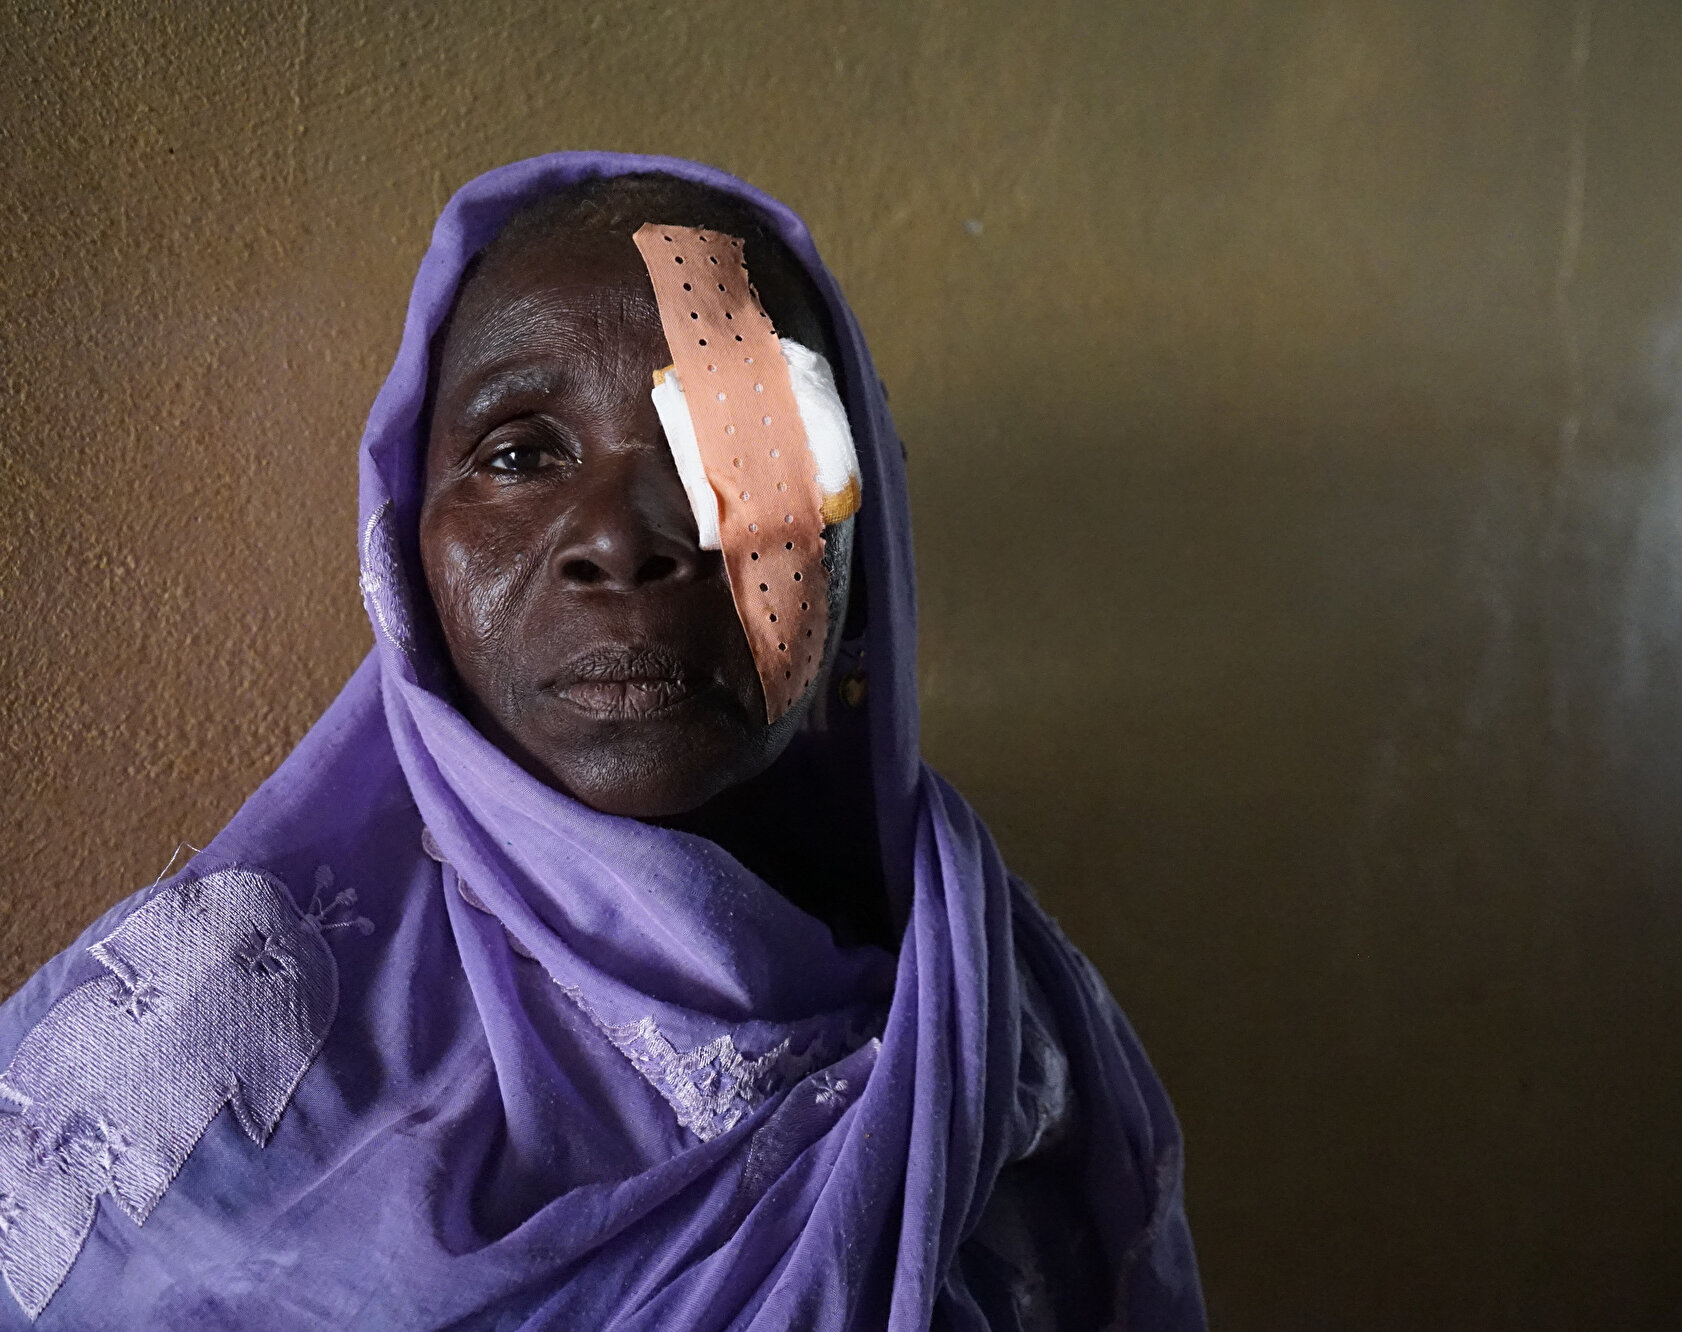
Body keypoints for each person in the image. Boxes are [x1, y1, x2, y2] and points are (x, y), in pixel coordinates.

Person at [0, 153, 1204, 1330]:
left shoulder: (996, 1014)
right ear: (407, 556)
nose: (622, 540)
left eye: (742, 451)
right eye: (519, 455)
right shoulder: (198, 1029)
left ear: (861, 565)